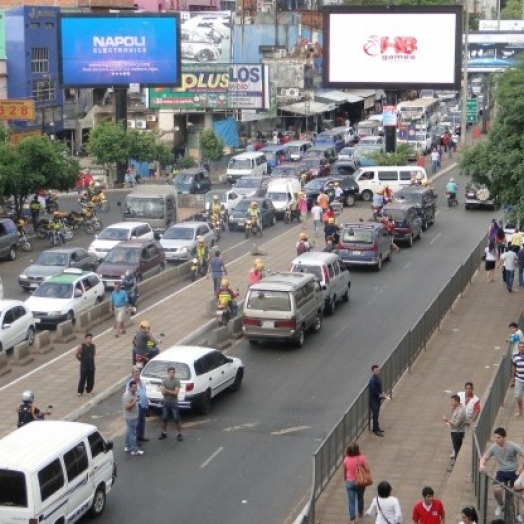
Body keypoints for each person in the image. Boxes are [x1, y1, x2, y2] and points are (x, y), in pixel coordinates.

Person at [479, 427, 524, 516]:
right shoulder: (493, 447)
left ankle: (518, 514)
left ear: (504, 437)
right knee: (497, 490)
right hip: (502, 472)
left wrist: (520, 469)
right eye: (495, 437)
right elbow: (484, 457)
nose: (496, 439)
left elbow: (523, 455)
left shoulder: (512, 445)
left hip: (514, 471)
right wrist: (481, 464)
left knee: (517, 493)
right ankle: (501, 504)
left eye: (499, 437)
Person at [343, 442, 368, 524]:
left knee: (351, 501)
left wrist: (345, 478)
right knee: (360, 497)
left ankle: (352, 519)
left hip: (350, 482)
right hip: (360, 481)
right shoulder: (362, 458)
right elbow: (367, 468)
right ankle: (360, 512)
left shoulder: (346, 459)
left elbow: (345, 470)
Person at [159, 366, 183, 441]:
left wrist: (166, 390)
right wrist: (169, 391)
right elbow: (162, 392)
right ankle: (164, 432)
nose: (172, 374)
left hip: (174, 402)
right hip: (166, 401)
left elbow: (176, 393)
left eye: (173, 372)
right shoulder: (164, 381)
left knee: (176, 418)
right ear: (168, 373)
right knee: (164, 418)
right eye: (170, 372)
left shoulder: (177, 381)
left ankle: (179, 434)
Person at [442, 394, 466, 470]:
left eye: (452, 401)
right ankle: (456, 465)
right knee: (456, 449)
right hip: (455, 431)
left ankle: (457, 466)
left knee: (457, 449)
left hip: (457, 433)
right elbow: (453, 417)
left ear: (456, 401)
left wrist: (446, 420)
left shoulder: (461, 411)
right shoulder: (456, 408)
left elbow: (456, 424)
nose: (450, 402)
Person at [122, 380, 144, 456]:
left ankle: (127, 446)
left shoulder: (133, 393)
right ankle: (134, 450)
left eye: (136, 387)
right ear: (130, 387)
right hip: (131, 418)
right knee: (133, 434)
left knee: (129, 431)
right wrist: (135, 401)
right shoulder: (127, 395)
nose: (135, 388)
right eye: (134, 387)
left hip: (132, 416)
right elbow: (127, 407)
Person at [129, 367, 149, 443]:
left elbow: (144, 393)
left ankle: (141, 436)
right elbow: (129, 394)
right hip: (137, 405)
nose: (137, 375)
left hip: (143, 405)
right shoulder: (131, 383)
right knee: (136, 423)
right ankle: (135, 439)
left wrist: (147, 405)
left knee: (142, 422)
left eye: (138, 373)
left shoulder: (142, 382)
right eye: (136, 373)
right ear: (132, 374)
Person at [369, 365, 389, 437]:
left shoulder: (377, 378)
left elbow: (379, 388)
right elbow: (374, 391)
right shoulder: (372, 381)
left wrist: (382, 393)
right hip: (373, 400)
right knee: (375, 414)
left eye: (378, 370)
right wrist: (381, 395)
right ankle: (375, 430)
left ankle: (377, 427)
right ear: (373, 371)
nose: (378, 371)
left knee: (377, 414)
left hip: (377, 400)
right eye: (376, 370)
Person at [75, 333, 96, 397]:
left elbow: (94, 354)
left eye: (91, 338)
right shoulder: (81, 346)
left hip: (91, 365)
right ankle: (80, 391)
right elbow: (76, 354)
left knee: (91, 379)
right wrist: (81, 360)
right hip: (84, 366)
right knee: (82, 379)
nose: (90, 340)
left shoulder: (93, 346)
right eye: (89, 338)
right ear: (85, 339)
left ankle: (89, 390)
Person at [513, 342, 524, 417]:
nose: (521, 349)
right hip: (519, 378)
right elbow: (514, 366)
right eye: (520, 347)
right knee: (518, 396)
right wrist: (512, 377)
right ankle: (520, 410)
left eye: (522, 347)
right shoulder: (515, 357)